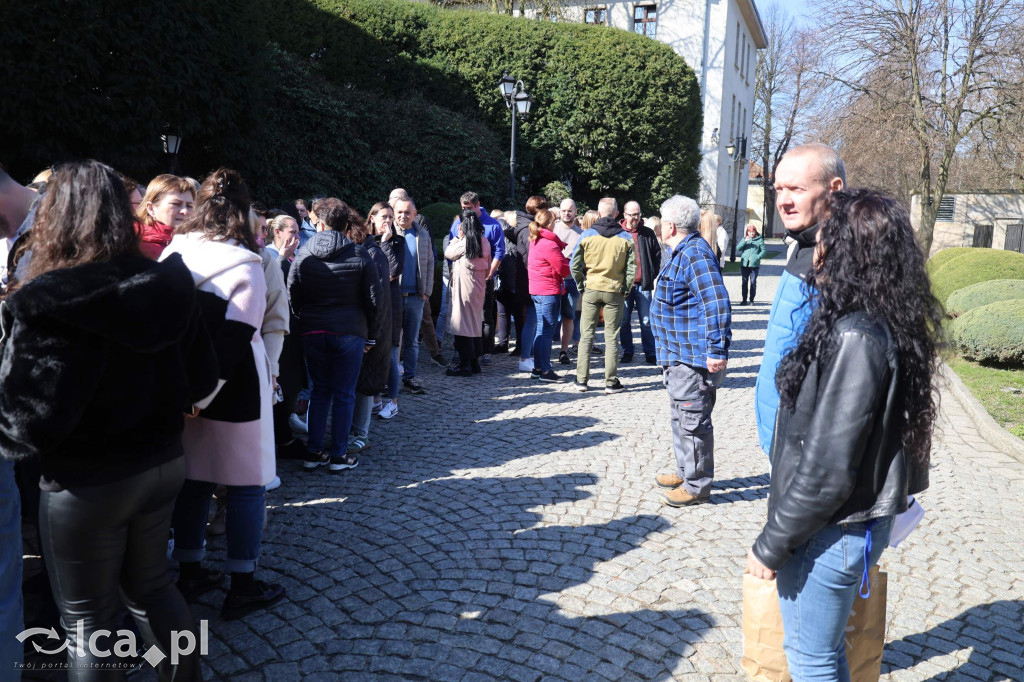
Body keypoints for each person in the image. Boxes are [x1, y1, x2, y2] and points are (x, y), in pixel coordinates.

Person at [0, 160, 218, 679]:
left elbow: (23, 426)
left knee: (86, 623)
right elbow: (202, 379)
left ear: (56, 217)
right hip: (162, 463)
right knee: (153, 589)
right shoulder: (167, 281)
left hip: (86, 483)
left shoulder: (47, 302)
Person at [746, 189, 942, 680]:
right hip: (842, 527)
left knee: (811, 659)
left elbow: (829, 468)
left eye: (828, 241)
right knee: (826, 652)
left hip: (829, 531)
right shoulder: (879, 320)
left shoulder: (859, 334)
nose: (819, 251)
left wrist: (772, 544)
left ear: (854, 251)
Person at [164, 167, 285, 620]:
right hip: (233, 391)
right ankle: (243, 582)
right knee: (247, 485)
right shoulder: (245, 266)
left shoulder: (174, 255)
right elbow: (233, 343)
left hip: (182, 388)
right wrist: (202, 394)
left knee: (194, 482)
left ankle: (190, 573)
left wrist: (185, 396)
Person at [755, 144, 846, 457]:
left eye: (796, 188)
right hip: (783, 433)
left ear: (833, 189)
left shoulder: (846, 261)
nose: (784, 201)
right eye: (779, 188)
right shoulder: (806, 246)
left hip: (807, 446)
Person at [287, 198, 382, 472]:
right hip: (349, 331)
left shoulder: (304, 254)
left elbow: (293, 292)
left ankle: (314, 451)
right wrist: (372, 335)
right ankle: (339, 455)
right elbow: (374, 300)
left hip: (314, 330)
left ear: (320, 223)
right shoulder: (359, 254)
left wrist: (304, 319)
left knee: (319, 391)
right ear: (346, 224)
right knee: (344, 394)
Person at [650, 195, 731, 507]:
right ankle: (687, 472)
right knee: (680, 417)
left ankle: (697, 486)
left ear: (669, 225)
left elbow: (716, 302)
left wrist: (716, 350)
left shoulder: (695, 254)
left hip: (692, 356)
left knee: (692, 420)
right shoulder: (680, 251)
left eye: (660, 221)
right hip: (675, 354)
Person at [570, 197, 635, 393]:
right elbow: (632, 269)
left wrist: (582, 285)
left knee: (586, 336)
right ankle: (610, 381)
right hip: (614, 290)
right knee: (611, 337)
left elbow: (574, 265)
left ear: (598, 214)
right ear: (617, 214)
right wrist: (625, 289)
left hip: (591, 288)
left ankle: (581, 380)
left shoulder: (586, 235)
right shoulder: (626, 237)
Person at [348, 205, 392, 454]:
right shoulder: (368, 251)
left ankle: (360, 433)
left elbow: (379, 298)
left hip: (371, 329)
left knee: (364, 383)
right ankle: (355, 430)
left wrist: (373, 335)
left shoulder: (373, 254)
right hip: (364, 327)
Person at [449, 192, 507, 366]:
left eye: (469, 208)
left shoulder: (493, 225)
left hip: (484, 276)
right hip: (464, 277)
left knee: (484, 316)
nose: (466, 211)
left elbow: (499, 251)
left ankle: (485, 351)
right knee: (462, 317)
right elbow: (451, 247)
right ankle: (464, 352)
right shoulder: (457, 223)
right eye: (463, 208)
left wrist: (490, 272)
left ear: (477, 205)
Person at [444, 210, 492, 376]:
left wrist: (458, 237)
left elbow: (448, 253)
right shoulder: (484, 241)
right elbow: (488, 265)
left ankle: (465, 365)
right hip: (478, 288)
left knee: (462, 326)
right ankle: (474, 363)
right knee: (475, 325)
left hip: (464, 289)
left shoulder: (464, 242)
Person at [394, 197, 434, 394]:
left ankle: (410, 377)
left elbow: (430, 263)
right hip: (393, 297)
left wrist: (426, 291)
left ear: (415, 214)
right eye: (399, 212)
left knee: (411, 341)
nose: (403, 215)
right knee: (392, 341)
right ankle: (389, 379)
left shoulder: (422, 235)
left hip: (415, 297)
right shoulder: (388, 233)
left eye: (407, 212)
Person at [528, 208, 571, 382]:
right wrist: (569, 263)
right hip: (548, 290)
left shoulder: (536, 239)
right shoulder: (549, 243)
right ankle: (545, 370)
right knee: (546, 331)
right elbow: (562, 268)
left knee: (541, 329)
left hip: (538, 289)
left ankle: (538, 368)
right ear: (550, 223)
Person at [618, 200, 662, 365]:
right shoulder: (617, 233)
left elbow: (657, 256)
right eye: (631, 214)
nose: (634, 218)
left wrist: (651, 275)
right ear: (624, 215)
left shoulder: (647, 233)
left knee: (647, 321)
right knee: (624, 321)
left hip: (643, 285)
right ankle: (627, 351)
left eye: (637, 214)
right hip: (623, 286)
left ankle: (650, 352)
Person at [373, 203, 405, 420]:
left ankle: (392, 401)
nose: (388, 221)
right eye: (384, 216)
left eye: (390, 217)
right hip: (372, 302)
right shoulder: (365, 241)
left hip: (391, 303)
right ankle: (375, 399)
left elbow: (393, 271)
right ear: (372, 217)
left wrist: (385, 245)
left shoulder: (398, 242)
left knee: (392, 354)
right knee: (374, 352)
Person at [512, 196, 549, 371]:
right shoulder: (528, 229)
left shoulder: (524, 226)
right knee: (533, 320)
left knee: (533, 319)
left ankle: (529, 355)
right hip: (530, 279)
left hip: (526, 278)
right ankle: (525, 357)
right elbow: (529, 258)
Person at [134, 174, 195, 259]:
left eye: (189, 206)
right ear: (151, 208)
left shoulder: (197, 244)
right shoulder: (139, 246)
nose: (185, 211)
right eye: (176, 204)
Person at [552, 199, 582, 364]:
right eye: (563, 210)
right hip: (554, 279)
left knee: (568, 316)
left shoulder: (581, 233)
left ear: (575, 211)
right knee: (550, 316)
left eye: (570, 210)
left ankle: (563, 351)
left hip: (571, 281)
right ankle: (546, 351)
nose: (566, 213)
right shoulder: (553, 229)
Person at [735, 224, 767, 305]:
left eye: (753, 232)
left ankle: (752, 300)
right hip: (744, 264)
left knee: (753, 282)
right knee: (744, 282)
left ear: (755, 232)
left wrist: (757, 257)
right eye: (750, 232)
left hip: (754, 265)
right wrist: (744, 241)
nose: (751, 234)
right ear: (747, 232)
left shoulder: (759, 240)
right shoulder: (745, 239)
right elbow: (738, 248)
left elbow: (764, 250)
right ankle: (744, 300)